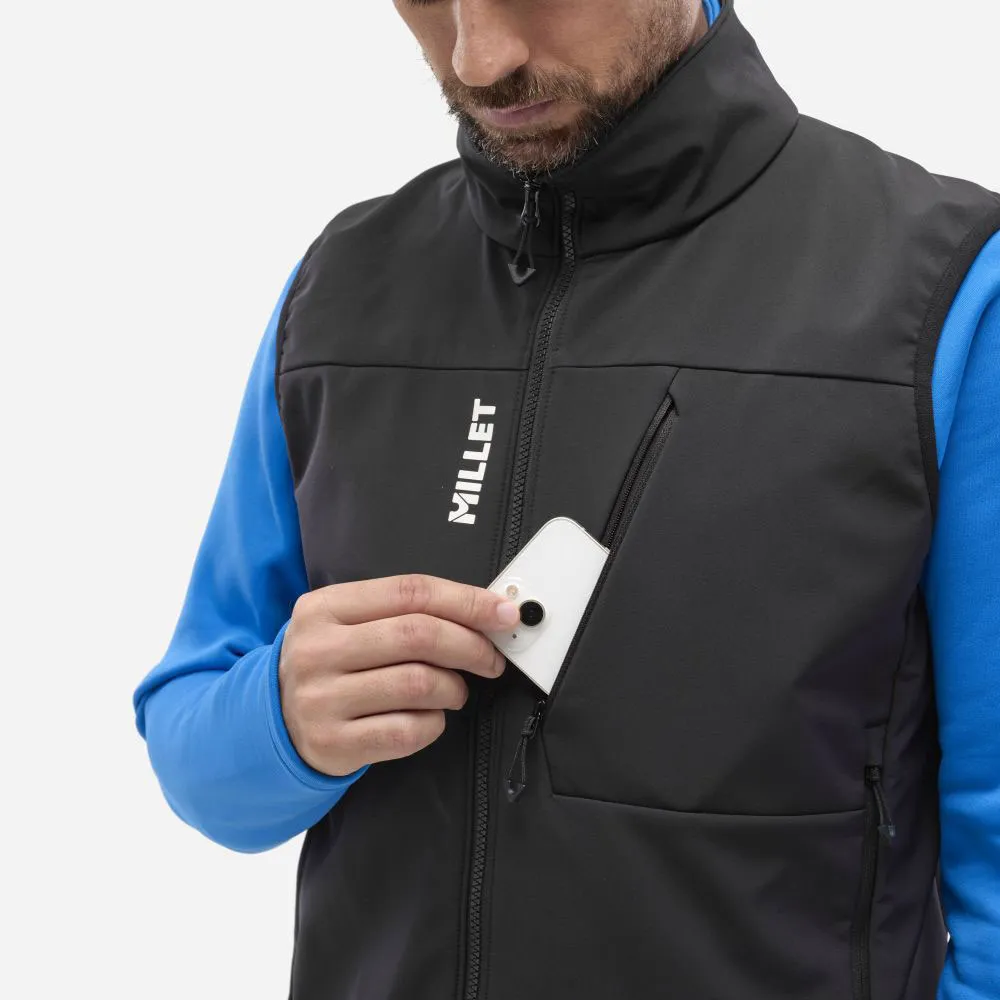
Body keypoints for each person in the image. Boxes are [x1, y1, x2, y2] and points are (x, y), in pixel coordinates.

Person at [132, 1, 1000, 997]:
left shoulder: (943, 294)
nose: (478, 58)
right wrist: (281, 716)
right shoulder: (339, 290)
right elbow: (193, 737)